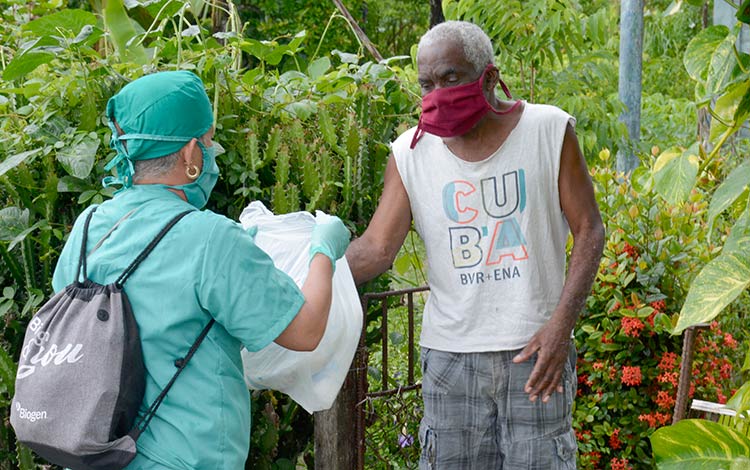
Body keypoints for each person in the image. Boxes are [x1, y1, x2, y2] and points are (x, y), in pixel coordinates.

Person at [51, 71, 350, 469]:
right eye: (208, 141)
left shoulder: (88, 227)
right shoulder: (211, 239)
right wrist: (322, 251)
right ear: (191, 154)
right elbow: (307, 329)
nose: (212, 151)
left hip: (96, 454)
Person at [346, 21, 604, 469]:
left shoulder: (549, 131)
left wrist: (560, 326)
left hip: (536, 352)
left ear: (488, 77)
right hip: (450, 361)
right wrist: (305, 270)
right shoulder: (410, 153)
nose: (438, 93)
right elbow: (376, 249)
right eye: (427, 83)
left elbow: (590, 229)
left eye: (451, 78)